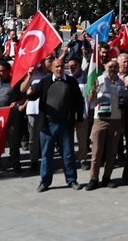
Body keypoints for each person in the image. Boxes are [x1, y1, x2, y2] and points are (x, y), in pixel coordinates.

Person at [26, 56, 86, 192]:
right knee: (47, 154)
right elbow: (33, 95)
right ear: (51, 69)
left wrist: (79, 119)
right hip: (48, 125)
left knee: (68, 153)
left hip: (66, 124)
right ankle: (45, 181)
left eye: (61, 66)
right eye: (56, 67)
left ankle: (71, 180)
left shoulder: (71, 82)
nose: (59, 69)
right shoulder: (45, 81)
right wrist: (30, 92)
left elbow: (79, 102)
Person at [86, 60, 127, 190]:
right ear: (105, 67)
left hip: (116, 120)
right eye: (111, 67)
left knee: (111, 152)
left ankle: (106, 178)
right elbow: (91, 99)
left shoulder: (120, 82)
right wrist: (93, 88)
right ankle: (93, 179)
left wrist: (122, 123)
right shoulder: (98, 80)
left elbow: (123, 104)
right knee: (97, 152)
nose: (113, 69)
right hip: (101, 120)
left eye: (115, 67)